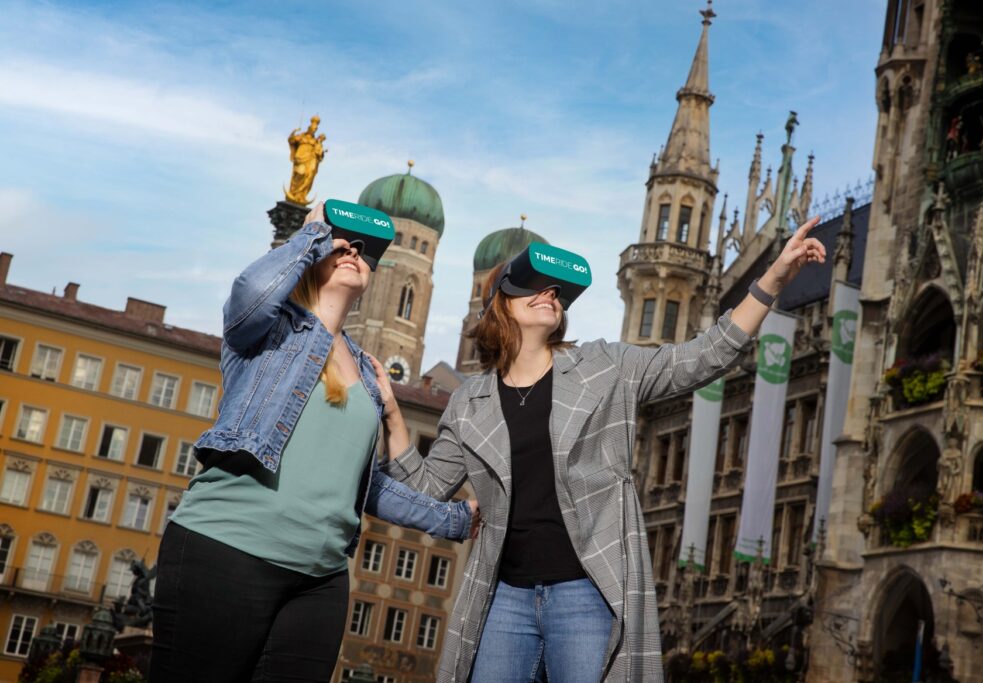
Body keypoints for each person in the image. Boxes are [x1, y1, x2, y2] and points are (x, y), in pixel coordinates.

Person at [375, 218, 827, 682]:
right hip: (504, 595)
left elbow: (700, 358)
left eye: (557, 291)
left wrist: (772, 279)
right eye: (533, 285)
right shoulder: (470, 402)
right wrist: (393, 416)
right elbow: (425, 490)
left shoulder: (602, 367)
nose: (549, 293)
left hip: (586, 592)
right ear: (499, 303)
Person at [150, 202, 477, 683]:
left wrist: (453, 519)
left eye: (363, 251)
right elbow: (250, 293)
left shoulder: (368, 373)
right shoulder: (269, 329)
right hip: (227, 547)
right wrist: (312, 234)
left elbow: (361, 485)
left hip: (320, 579)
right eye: (341, 245)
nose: (353, 252)